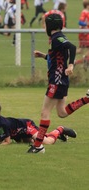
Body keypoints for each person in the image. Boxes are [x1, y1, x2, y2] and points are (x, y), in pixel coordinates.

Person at [27, 13, 89, 153]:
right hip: (62, 80)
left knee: (45, 112)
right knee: (61, 112)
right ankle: (86, 99)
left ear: (49, 26)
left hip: (56, 80)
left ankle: (37, 146)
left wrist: (71, 65)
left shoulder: (56, 38)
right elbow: (58, 58)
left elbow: (72, 47)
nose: (44, 27)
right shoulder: (56, 38)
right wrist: (44, 56)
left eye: (44, 24)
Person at [0, 100, 77, 147]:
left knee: (46, 142)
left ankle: (60, 130)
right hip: (16, 134)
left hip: (26, 126)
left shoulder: (2, 124)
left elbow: (7, 142)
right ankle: (54, 135)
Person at [75, 0, 89, 71]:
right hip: (84, 34)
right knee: (83, 51)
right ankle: (84, 60)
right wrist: (87, 24)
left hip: (85, 34)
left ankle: (69, 55)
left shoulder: (87, 12)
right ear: (87, 6)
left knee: (81, 50)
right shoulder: (84, 12)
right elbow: (80, 22)